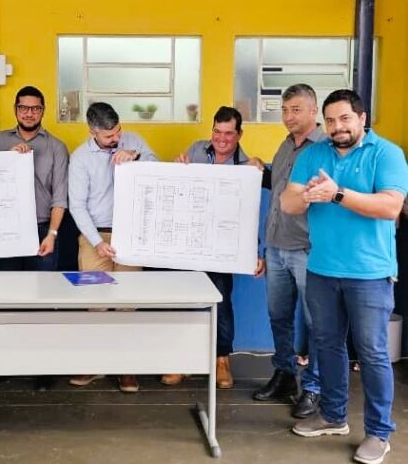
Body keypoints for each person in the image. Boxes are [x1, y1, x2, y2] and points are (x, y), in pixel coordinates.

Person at [282, 89, 408, 464]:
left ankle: (379, 433)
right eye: (331, 120)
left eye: (345, 119)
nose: (337, 127)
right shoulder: (314, 154)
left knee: (372, 353)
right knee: (328, 345)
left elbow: (390, 207)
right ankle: (333, 416)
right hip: (322, 270)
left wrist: (337, 194)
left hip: (370, 274)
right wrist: (307, 195)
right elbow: (288, 203)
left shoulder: (386, 153)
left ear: (362, 119)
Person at [162, 106, 265, 389]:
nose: (221, 139)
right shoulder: (196, 150)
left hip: (222, 246)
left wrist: (255, 251)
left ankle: (222, 361)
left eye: (228, 133)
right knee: (183, 301)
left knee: (220, 301)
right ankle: (182, 360)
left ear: (239, 134)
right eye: (217, 131)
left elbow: (249, 214)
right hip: (188, 241)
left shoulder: (247, 166)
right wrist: (178, 167)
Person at [68, 101, 157, 393]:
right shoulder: (80, 158)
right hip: (95, 236)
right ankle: (94, 363)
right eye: (109, 136)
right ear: (92, 132)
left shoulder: (133, 141)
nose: (116, 138)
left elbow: (158, 169)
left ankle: (125, 368)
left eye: (118, 131)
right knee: (95, 302)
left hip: (131, 232)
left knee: (127, 302)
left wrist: (136, 156)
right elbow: (77, 206)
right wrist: (96, 242)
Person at [251, 84, 325, 418]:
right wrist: (261, 172)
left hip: (309, 249)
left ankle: (314, 386)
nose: (289, 116)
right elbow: (280, 188)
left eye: (296, 109)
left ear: (313, 111)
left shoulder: (325, 148)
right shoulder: (284, 146)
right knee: (278, 315)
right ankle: (284, 373)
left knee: (316, 322)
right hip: (277, 246)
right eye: (284, 110)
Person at [0, 86, 69, 271]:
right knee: (6, 285)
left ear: (43, 111)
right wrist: (8, 158)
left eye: (35, 108)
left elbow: (60, 197)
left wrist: (52, 234)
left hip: (42, 229)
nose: (29, 113)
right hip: (5, 227)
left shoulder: (57, 147)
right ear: (15, 109)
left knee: (42, 286)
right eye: (24, 108)